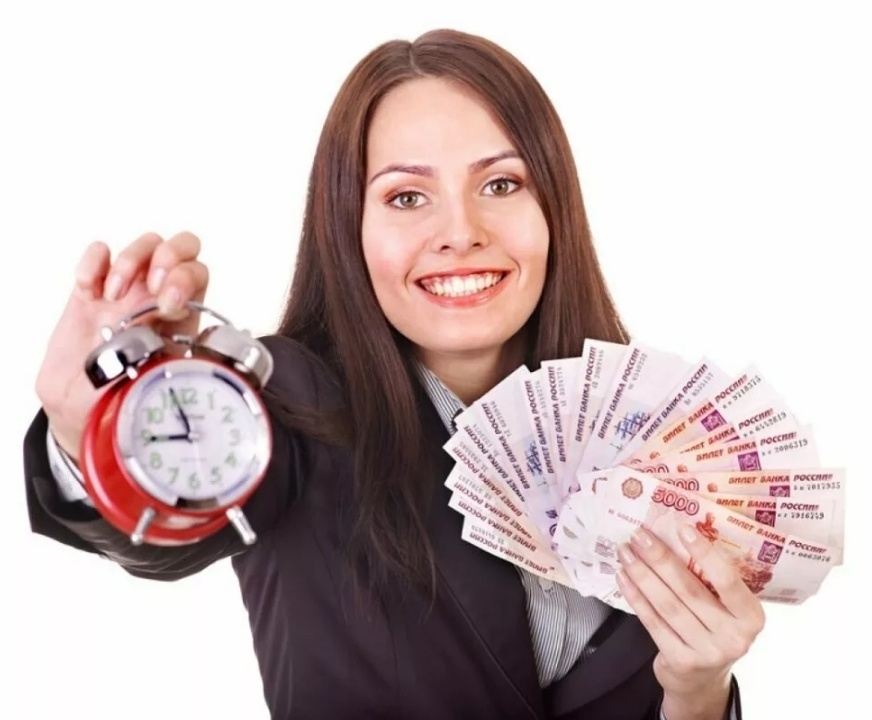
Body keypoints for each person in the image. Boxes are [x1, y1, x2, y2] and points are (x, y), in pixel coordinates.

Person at [23, 28, 763, 719]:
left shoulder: (649, 444)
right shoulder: (286, 404)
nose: (461, 232)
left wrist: (698, 692)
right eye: (407, 197)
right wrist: (87, 427)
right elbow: (161, 534)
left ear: (555, 209)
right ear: (349, 228)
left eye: (501, 184)